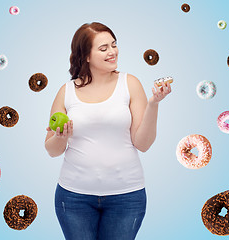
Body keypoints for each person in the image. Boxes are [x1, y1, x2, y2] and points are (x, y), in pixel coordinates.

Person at [45, 22, 171, 240]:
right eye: (103, 48)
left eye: (114, 45)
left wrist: (153, 104)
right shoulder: (66, 92)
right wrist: (59, 136)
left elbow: (143, 143)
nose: (112, 52)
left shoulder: (129, 83)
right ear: (85, 56)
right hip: (73, 197)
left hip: (127, 197)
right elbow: (52, 150)